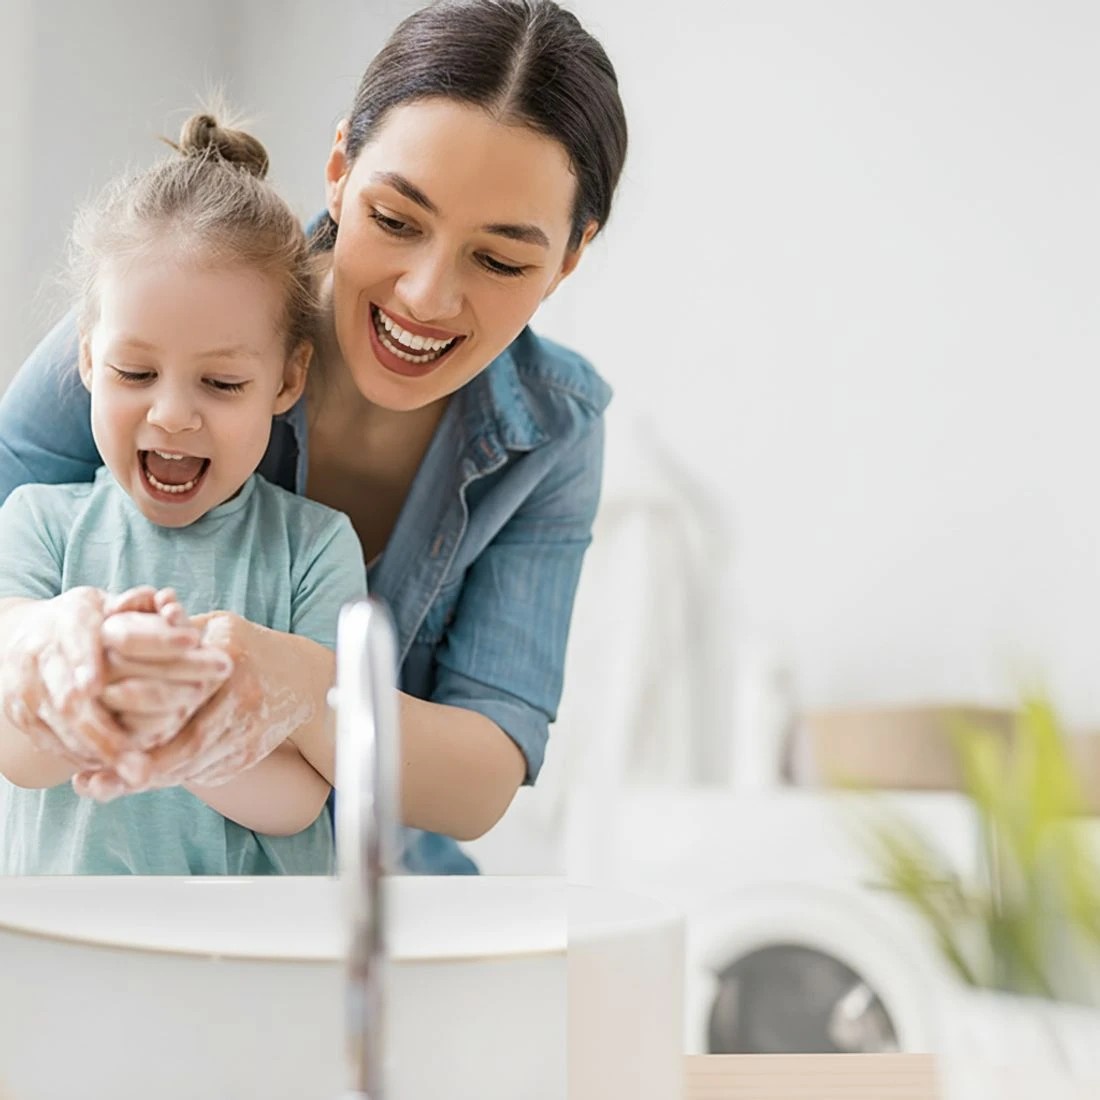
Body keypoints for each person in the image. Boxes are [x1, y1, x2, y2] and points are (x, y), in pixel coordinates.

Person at [0, 0, 627, 875]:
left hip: (372, 889)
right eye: (397, 220)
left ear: (568, 256)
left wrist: (292, 683)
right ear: (338, 169)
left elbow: (484, 772)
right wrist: (47, 650)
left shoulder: (555, 431)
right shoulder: (175, 298)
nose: (426, 297)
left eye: (500, 260)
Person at [0, 112, 367, 874]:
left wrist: (181, 738)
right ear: (88, 363)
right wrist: (110, 688)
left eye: (222, 382)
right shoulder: (37, 525)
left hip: (248, 962)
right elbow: (18, 753)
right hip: (72, 949)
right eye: (136, 373)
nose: (171, 413)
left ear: (287, 380)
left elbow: (302, 797)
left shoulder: (315, 549)